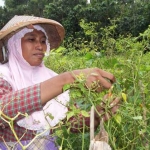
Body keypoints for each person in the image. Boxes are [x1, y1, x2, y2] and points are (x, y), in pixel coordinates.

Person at [0, 15, 120, 149]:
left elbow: (71, 123)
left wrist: (96, 116)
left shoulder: (52, 77)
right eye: (31, 39)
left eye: (43, 41)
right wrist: (68, 78)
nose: (40, 46)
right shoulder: (4, 75)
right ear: (14, 44)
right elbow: (3, 111)